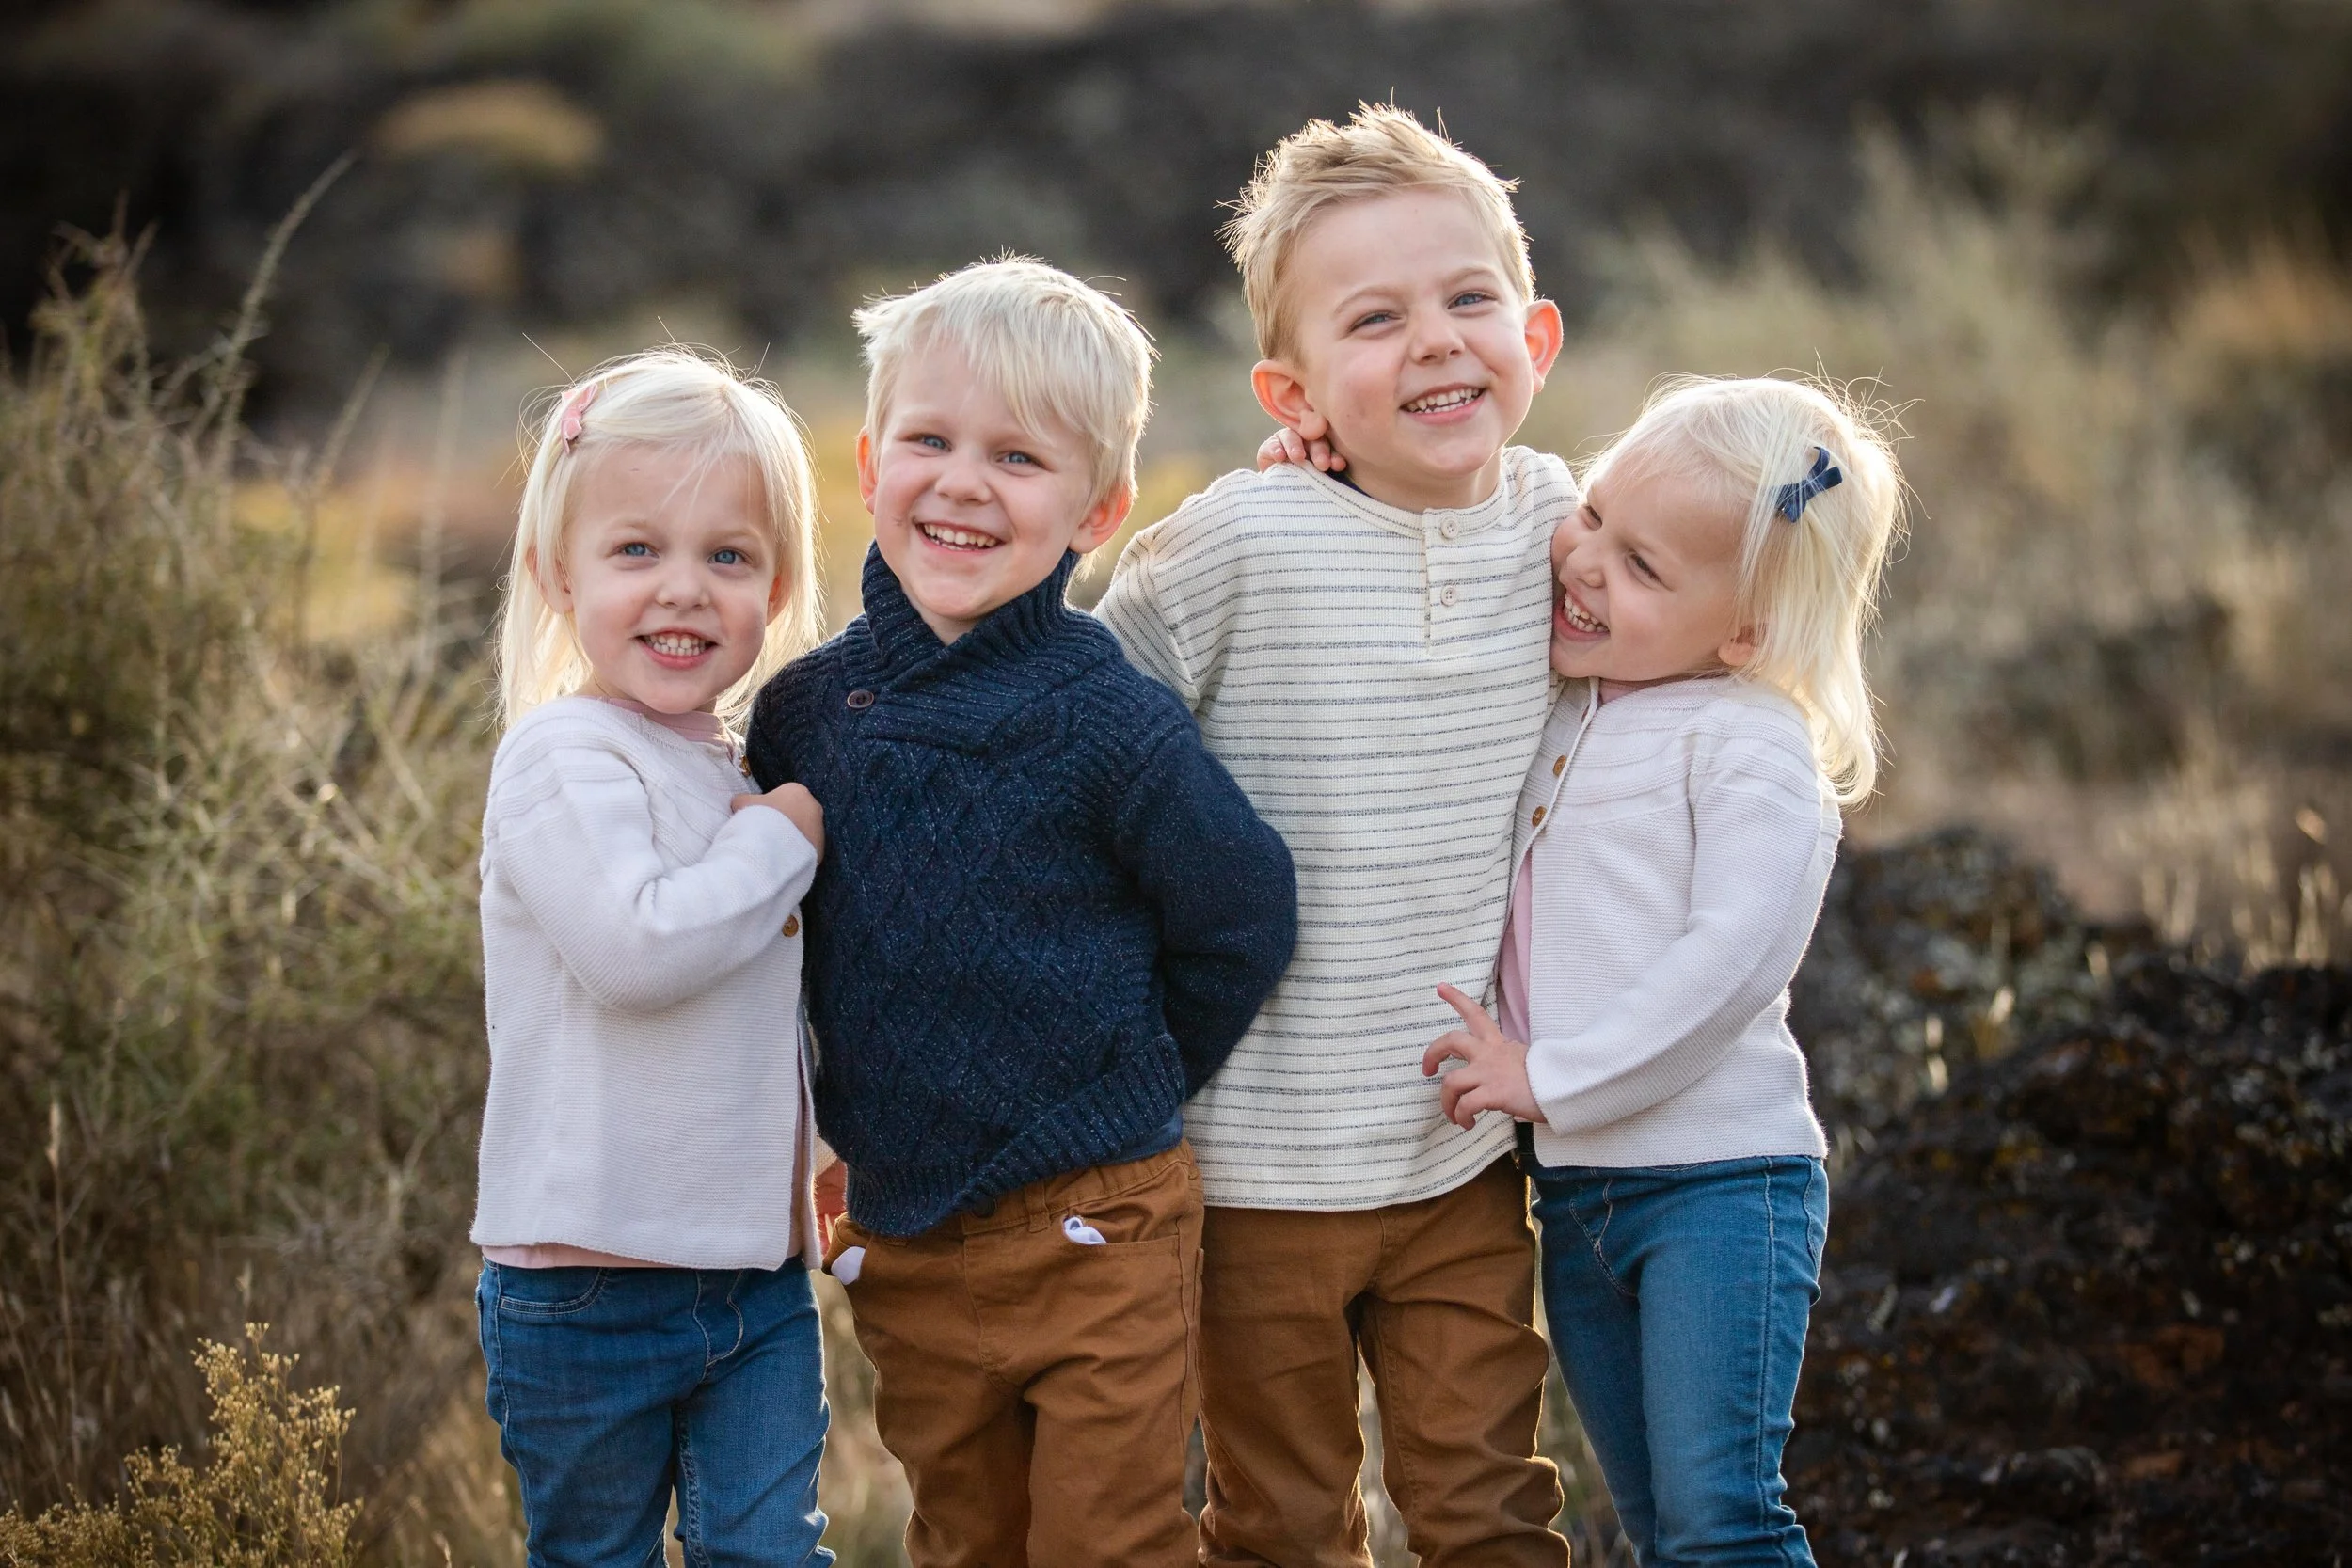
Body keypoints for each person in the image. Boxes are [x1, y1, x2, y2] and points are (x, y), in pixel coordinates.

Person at [745, 258, 1297, 1568]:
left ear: (1097, 507)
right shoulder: (803, 714)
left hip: (1098, 1221)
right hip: (907, 1226)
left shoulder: (1109, 722)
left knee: (1107, 1539)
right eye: (929, 440)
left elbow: (1243, 913)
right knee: (964, 1537)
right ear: (871, 458)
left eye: (1018, 457)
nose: (963, 482)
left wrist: (1136, 1080)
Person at [1096, 104, 1576, 1567]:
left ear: (1537, 338)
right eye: (1375, 320)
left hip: (1456, 1151)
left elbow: (1713, 572)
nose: (1436, 340)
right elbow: (1077, 730)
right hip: (1250, 1171)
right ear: (1291, 385)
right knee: (1286, 1523)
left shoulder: (1566, 517)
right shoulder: (1235, 542)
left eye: (1468, 299)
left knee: (1490, 1506)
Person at [1426, 374, 1904, 1567]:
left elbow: (1728, 966)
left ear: (1742, 633)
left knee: (1719, 1518)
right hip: (1580, 1191)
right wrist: (1312, 470)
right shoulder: (1569, 696)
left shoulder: (1748, 746)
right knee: (1650, 1526)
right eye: (1591, 513)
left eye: (1642, 568)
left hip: (1719, 1188)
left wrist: (1552, 1073)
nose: (1583, 560)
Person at [470, 348, 835, 1566]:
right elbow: (637, 946)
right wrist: (781, 842)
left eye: (727, 556)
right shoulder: (565, 755)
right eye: (637, 550)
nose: (684, 590)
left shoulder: (733, 765)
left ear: (775, 587)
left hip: (753, 1280)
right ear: (553, 571)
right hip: (588, 1285)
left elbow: (766, 1017)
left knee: (771, 1551)